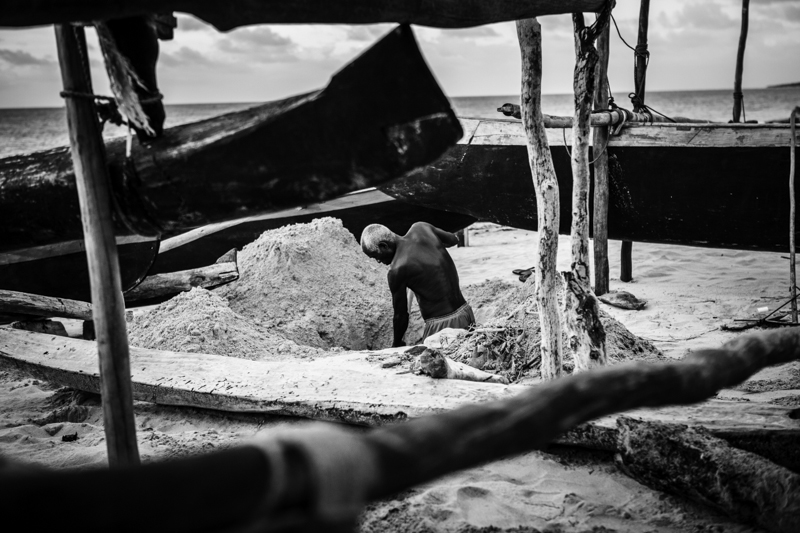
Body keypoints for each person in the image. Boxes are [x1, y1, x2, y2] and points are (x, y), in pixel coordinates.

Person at [360, 222, 475, 347]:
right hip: (466, 313)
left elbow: (401, 315)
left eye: (376, 256)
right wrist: (435, 245)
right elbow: (453, 240)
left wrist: (397, 343)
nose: (378, 261)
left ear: (384, 246)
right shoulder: (421, 228)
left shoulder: (397, 270)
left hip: (442, 328)